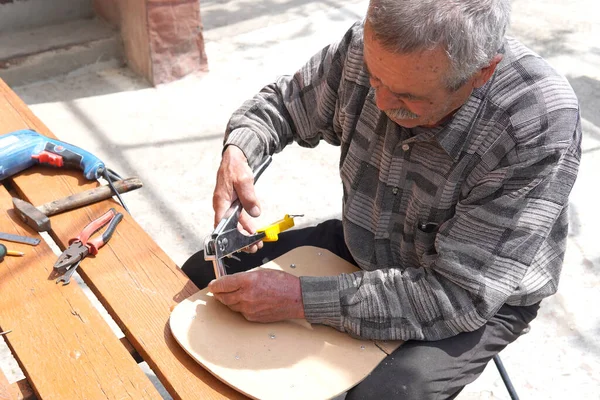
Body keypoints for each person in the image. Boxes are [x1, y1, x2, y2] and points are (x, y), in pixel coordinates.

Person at [182, 0, 582, 398]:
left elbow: (457, 296)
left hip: (474, 293)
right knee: (202, 274)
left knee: (387, 394)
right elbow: (283, 106)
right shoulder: (367, 48)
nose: (382, 104)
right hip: (369, 241)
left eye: (409, 97)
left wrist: (300, 299)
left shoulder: (533, 123)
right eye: (375, 80)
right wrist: (239, 152)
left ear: (481, 74)